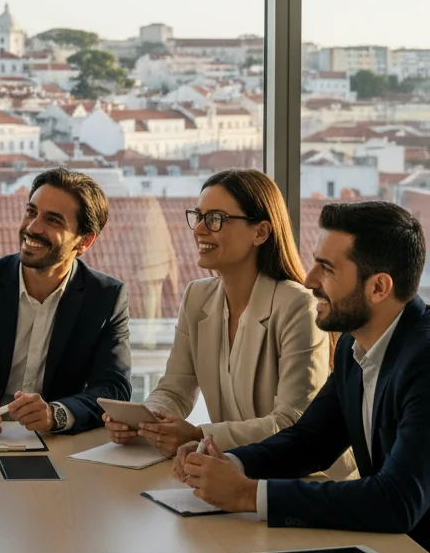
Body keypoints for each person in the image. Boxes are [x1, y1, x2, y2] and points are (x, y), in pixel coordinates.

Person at [177, 201, 430, 551]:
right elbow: (311, 441)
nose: (310, 280)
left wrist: (249, 494)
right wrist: (227, 462)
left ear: (378, 288)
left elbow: (397, 500)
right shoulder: (353, 347)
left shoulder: (424, 360)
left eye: (326, 269)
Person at [105, 169, 340, 465]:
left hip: (305, 479)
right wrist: (146, 421)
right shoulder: (197, 297)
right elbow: (174, 389)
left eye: (215, 219)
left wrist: (198, 435)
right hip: (233, 469)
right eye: (198, 216)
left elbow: (292, 423)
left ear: (261, 232)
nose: (199, 230)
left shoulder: (298, 306)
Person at [0, 168, 131, 437]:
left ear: (85, 241)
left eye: (53, 220)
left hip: (56, 442)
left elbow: (114, 388)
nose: (32, 227)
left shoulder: (106, 297)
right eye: (31, 212)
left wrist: (57, 414)